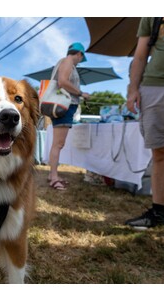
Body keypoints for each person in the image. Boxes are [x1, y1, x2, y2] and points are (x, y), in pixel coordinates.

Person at [125, 17, 164, 230]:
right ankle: (159, 212)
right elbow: (141, 54)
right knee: (160, 153)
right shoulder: (152, 15)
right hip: (154, 86)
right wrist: (133, 88)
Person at [48, 42, 90, 190]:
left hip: (65, 106)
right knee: (58, 144)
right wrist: (81, 93)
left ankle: (52, 175)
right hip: (64, 106)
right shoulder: (68, 61)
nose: (80, 60)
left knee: (58, 144)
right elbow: (62, 82)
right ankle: (54, 177)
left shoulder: (67, 63)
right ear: (79, 54)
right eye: (81, 57)